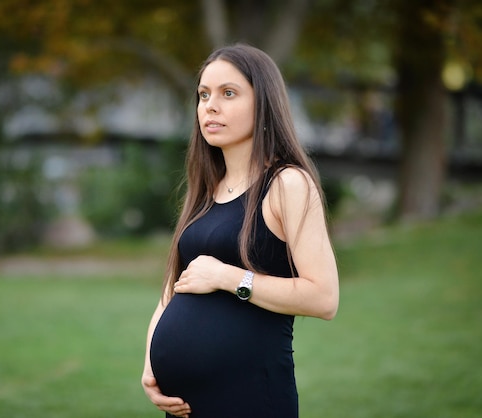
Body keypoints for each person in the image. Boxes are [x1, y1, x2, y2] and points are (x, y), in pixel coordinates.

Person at [141, 43, 339, 418]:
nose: (210, 106)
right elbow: (172, 289)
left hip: (250, 399)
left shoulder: (287, 184)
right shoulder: (206, 187)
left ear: (263, 103)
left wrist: (228, 277)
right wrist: (152, 364)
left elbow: (324, 298)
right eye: (203, 95)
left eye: (228, 93)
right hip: (184, 408)